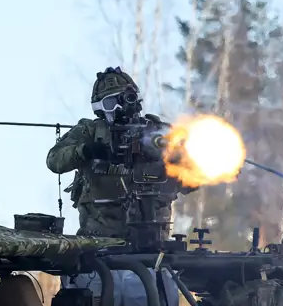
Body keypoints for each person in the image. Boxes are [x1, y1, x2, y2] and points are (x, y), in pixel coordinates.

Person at [46, 66, 193, 239]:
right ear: (100, 108)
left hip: (153, 245)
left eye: (126, 98)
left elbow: (193, 178)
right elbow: (54, 160)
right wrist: (86, 151)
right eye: (111, 102)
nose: (120, 106)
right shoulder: (91, 131)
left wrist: (176, 158)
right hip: (99, 242)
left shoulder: (160, 134)